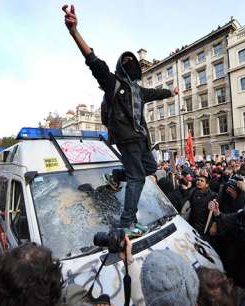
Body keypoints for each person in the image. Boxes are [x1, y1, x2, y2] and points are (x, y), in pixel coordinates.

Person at [62, 4, 178, 236]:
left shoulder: (139, 90)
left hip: (142, 139)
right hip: (128, 138)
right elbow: (94, 62)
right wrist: (74, 32)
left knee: (150, 168)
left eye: (130, 61)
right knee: (137, 178)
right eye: (124, 61)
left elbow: (156, 93)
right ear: (119, 67)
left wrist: (171, 92)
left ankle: (115, 175)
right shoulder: (113, 83)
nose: (128, 63)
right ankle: (127, 222)